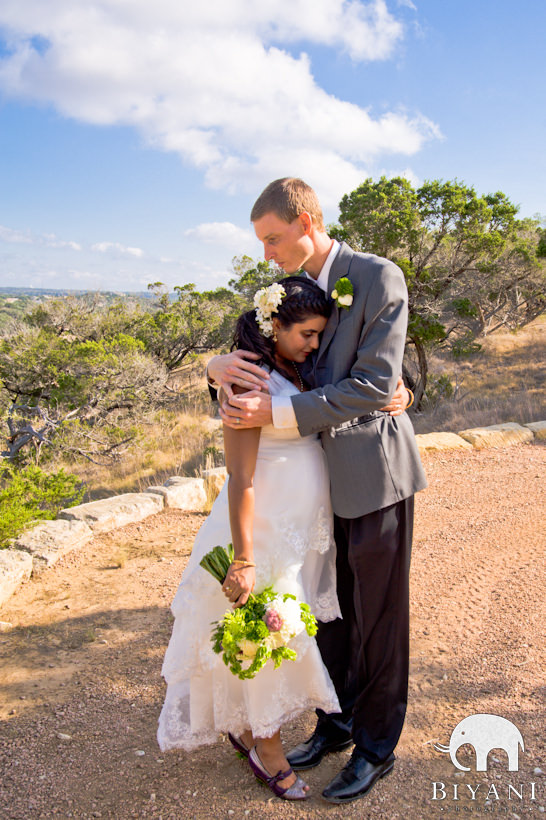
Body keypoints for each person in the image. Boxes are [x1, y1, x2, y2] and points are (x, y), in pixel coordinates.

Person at [207, 177, 428, 804]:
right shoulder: (276, 294)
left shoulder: (377, 275)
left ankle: (377, 748)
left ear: (307, 220)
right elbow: (253, 360)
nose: (268, 255)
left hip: (374, 475)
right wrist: (213, 367)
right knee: (331, 613)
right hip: (313, 490)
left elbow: (374, 383)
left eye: (274, 239)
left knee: (379, 619)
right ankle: (336, 722)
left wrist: (275, 418)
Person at [157, 276, 344, 801]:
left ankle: (246, 727)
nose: (313, 343)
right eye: (306, 333)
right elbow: (241, 478)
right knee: (268, 638)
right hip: (259, 534)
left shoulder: (296, 370)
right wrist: (243, 559)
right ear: (274, 326)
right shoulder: (246, 377)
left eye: (317, 334)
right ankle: (269, 750)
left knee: (276, 636)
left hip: (297, 533)